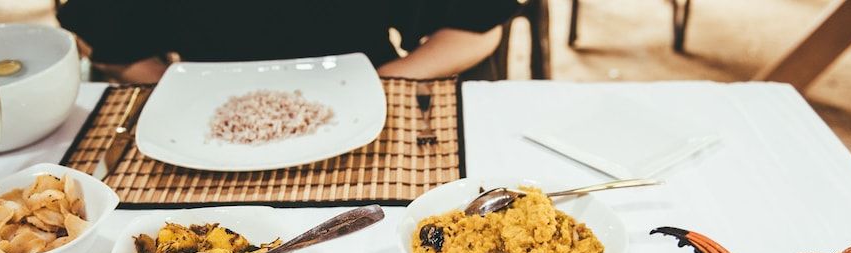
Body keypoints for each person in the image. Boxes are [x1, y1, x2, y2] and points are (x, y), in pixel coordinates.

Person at [55, 0, 521, 82]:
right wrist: (181, 89)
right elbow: (111, 46)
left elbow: (475, 28)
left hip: (364, 90)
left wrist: (380, 80)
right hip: (206, 101)